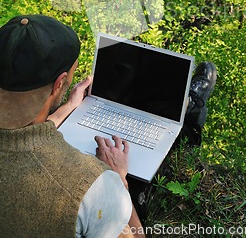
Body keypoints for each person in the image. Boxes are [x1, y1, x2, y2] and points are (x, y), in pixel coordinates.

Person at [0, 14, 216, 236]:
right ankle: (191, 108)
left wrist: (70, 106)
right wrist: (118, 179)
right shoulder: (90, 185)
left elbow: (22, 134)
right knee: (180, 129)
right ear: (59, 83)